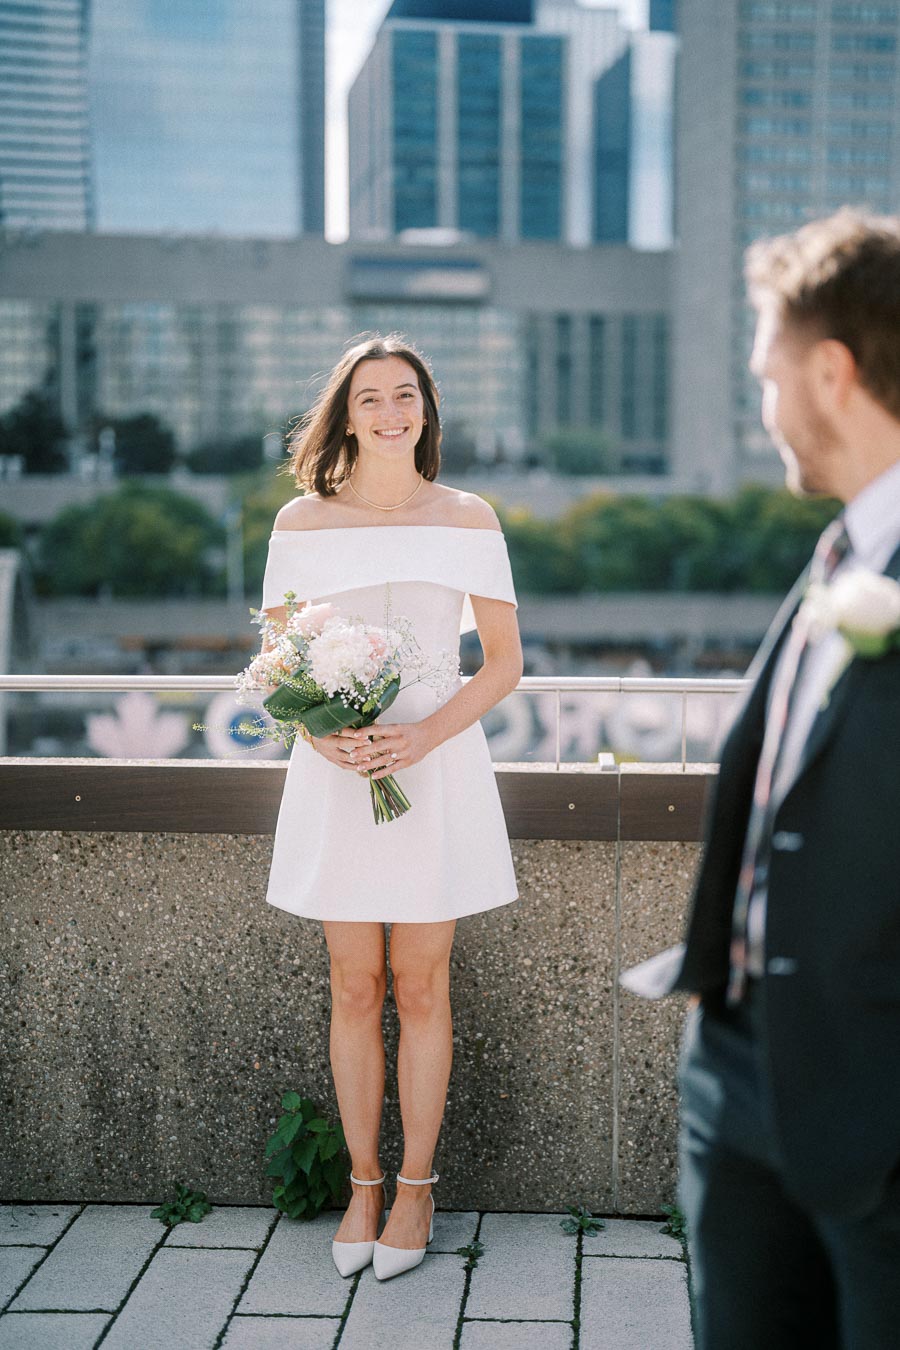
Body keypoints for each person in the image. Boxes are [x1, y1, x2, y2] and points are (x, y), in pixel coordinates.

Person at [621, 208, 900, 1348]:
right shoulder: (841, 552)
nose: (762, 402)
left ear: (831, 372)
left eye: (769, 375)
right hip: (739, 1082)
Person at [257, 333, 522, 1282]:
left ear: (425, 411)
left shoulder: (469, 516)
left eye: (404, 394)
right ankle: (362, 1185)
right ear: (346, 413)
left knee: (420, 984)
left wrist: (420, 736)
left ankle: (417, 1189)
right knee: (354, 984)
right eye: (369, 397)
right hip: (335, 773)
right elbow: (277, 667)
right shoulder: (299, 522)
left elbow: (503, 665)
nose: (388, 411)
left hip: (434, 765)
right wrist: (322, 733)